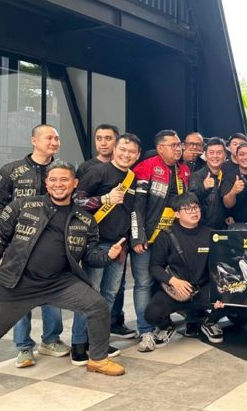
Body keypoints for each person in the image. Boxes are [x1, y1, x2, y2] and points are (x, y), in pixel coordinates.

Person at [0, 161, 126, 390]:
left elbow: (90, 255)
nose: (59, 184)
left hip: (60, 283)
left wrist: (107, 255)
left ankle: (97, 359)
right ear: (47, 183)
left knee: (97, 306)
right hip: (18, 283)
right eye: (53, 180)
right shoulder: (23, 206)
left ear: (75, 183)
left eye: (64, 179)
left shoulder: (85, 219)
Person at [0, 124, 68, 368]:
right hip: (19, 244)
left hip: (52, 245)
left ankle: (51, 340)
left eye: (57, 138)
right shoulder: (11, 171)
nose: (54, 142)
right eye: (49, 138)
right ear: (34, 140)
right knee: (19, 294)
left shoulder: (62, 170)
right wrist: (1, 235)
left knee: (53, 292)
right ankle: (23, 347)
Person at [71, 133, 142, 365]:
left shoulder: (132, 178)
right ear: (115, 149)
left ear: (138, 155)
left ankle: (98, 340)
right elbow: (76, 200)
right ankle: (79, 343)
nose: (126, 154)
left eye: (131, 151)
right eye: (123, 149)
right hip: (96, 243)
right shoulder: (98, 172)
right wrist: (104, 199)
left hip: (119, 245)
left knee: (109, 294)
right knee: (90, 294)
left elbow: (131, 212)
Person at [130, 130, 190, 352]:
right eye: (173, 145)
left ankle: (162, 322)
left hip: (170, 238)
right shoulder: (146, 167)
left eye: (179, 145)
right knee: (144, 283)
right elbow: (137, 205)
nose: (178, 148)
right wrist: (137, 235)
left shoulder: (184, 169)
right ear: (160, 148)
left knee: (164, 280)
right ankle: (145, 330)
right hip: (147, 237)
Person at [145, 193, 227, 348]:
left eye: (195, 207)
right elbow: (154, 267)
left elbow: (219, 266)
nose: (193, 212)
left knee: (232, 298)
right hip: (176, 290)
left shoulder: (211, 234)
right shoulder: (166, 235)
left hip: (202, 289)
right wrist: (173, 281)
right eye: (187, 209)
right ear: (177, 214)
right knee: (151, 314)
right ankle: (167, 327)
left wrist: (220, 293)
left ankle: (208, 322)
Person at [189, 138, 229, 229]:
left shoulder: (227, 176)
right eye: (211, 152)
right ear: (206, 155)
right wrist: (204, 188)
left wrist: (229, 215)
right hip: (201, 229)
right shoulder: (196, 176)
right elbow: (190, 202)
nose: (215, 156)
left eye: (219, 153)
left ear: (225, 156)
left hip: (221, 229)